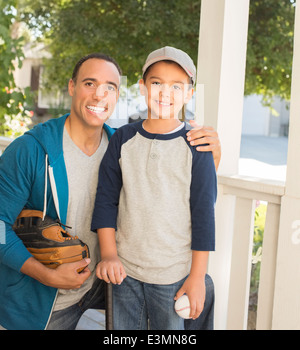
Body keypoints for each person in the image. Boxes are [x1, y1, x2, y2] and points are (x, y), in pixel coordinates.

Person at [0, 52, 220, 331]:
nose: (98, 95)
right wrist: (43, 274)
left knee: (204, 289)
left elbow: (178, 190)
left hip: (103, 284)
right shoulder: (31, 150)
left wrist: (212, 158)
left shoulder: (118, 142)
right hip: (46, 301)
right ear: (72, 87)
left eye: (110, 87)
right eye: (89, 84)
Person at [91, 46, 217, 330]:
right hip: (124, 272)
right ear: (142, 87)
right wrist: (109, 254)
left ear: (189, 94)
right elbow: (106, 200)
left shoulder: (197, 146)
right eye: (157, 82)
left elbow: (203, 215)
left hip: (173, 276)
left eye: (176, 86)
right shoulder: (122, 139)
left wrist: (197, 277)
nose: (165, 92)